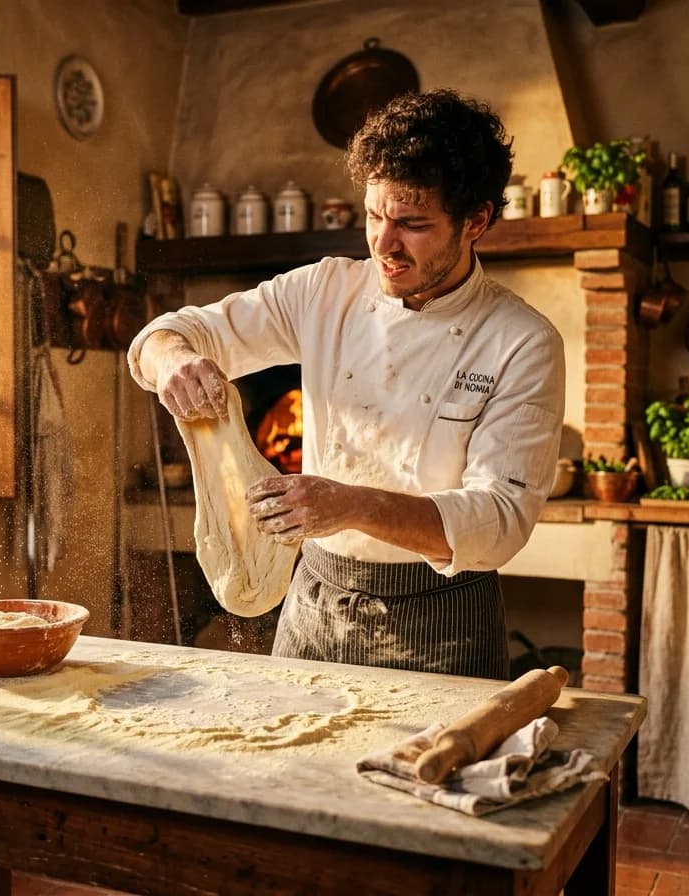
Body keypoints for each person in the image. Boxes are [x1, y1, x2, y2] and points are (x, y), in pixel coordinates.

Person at [127, 89, 565, 679]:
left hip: (442, 622)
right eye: (374, 216)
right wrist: (173, 360)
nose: (384, 245)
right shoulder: (322, 293)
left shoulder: (520, 341)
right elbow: (175, 332)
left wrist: (351, 505)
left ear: (476, 221)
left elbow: (500, 519)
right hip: (314, 606)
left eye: (412, 224)